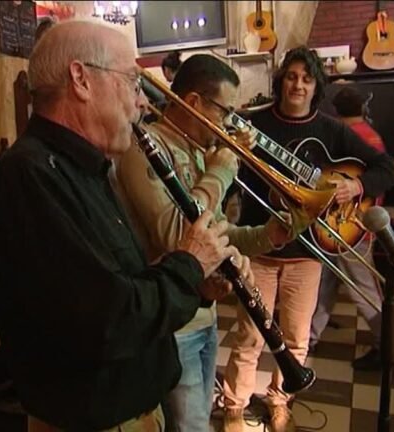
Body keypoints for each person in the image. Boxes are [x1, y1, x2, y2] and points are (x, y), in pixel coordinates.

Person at [0, 20, 253, 432]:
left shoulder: (84, 167)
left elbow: (120, 286)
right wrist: (187, 264)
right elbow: (107, 323)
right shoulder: (30, 175)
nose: (142, 102)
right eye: (131, 82)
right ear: (81, 79)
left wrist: (196, 286)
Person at [113, 54, 307, 432]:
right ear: (194, 103)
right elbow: (176, 235)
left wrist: (272, 233)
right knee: (190, 427)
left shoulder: (200, 152)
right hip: (172, 325)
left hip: (205, 315)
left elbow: (217, 234)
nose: (230, 122)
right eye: (226, 111)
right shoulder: (144, 149)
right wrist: (222, 169)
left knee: (199, 419)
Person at [222, 47, 394, 432]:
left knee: (297, 339)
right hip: (260, 248)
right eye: (291, 76)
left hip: (309, 253)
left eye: (306, 78)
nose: (297, 84)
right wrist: (234, 156)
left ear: (316, 85)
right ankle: (234, 406)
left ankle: (280, 399)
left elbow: (388, 168)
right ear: (281, 79)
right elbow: (229, 181)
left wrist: (357, 185)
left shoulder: (332, 129)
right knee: (250, 336)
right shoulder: (253, 123)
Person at [309, 86, 390, 371]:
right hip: (348, 224)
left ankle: (388, 348)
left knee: (364, 290)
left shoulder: (346, 137)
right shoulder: (372, 135)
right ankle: (310, 336)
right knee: (324, 283)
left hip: (349, 225)